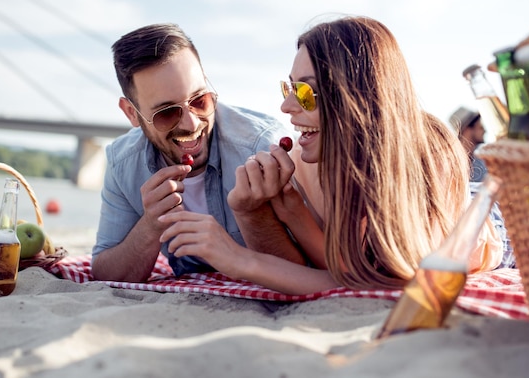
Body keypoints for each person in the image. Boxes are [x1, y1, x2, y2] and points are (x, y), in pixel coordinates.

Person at [158, 16, 504, 294]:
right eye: (289, 88)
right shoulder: (307, 159)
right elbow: (343, 267)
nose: (286, 106)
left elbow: (392, 276)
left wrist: (238, 259)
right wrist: (288, 210)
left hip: (485, 223)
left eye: (306, 92)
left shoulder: (427, 152)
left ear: (358, 96)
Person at [91, 23, 293, 282]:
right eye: (166, 113)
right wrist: (151, 224)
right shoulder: (123, 163)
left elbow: (304, 266)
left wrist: (253, 216)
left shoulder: (261, 146)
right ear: (132, 113)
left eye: (200, 100)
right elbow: (105, 275)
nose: (192, 124)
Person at [448, 106, 488, 182]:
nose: (484, 131)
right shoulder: (450, 164)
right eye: (480, 127)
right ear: (467, 129)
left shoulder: (483, 159)